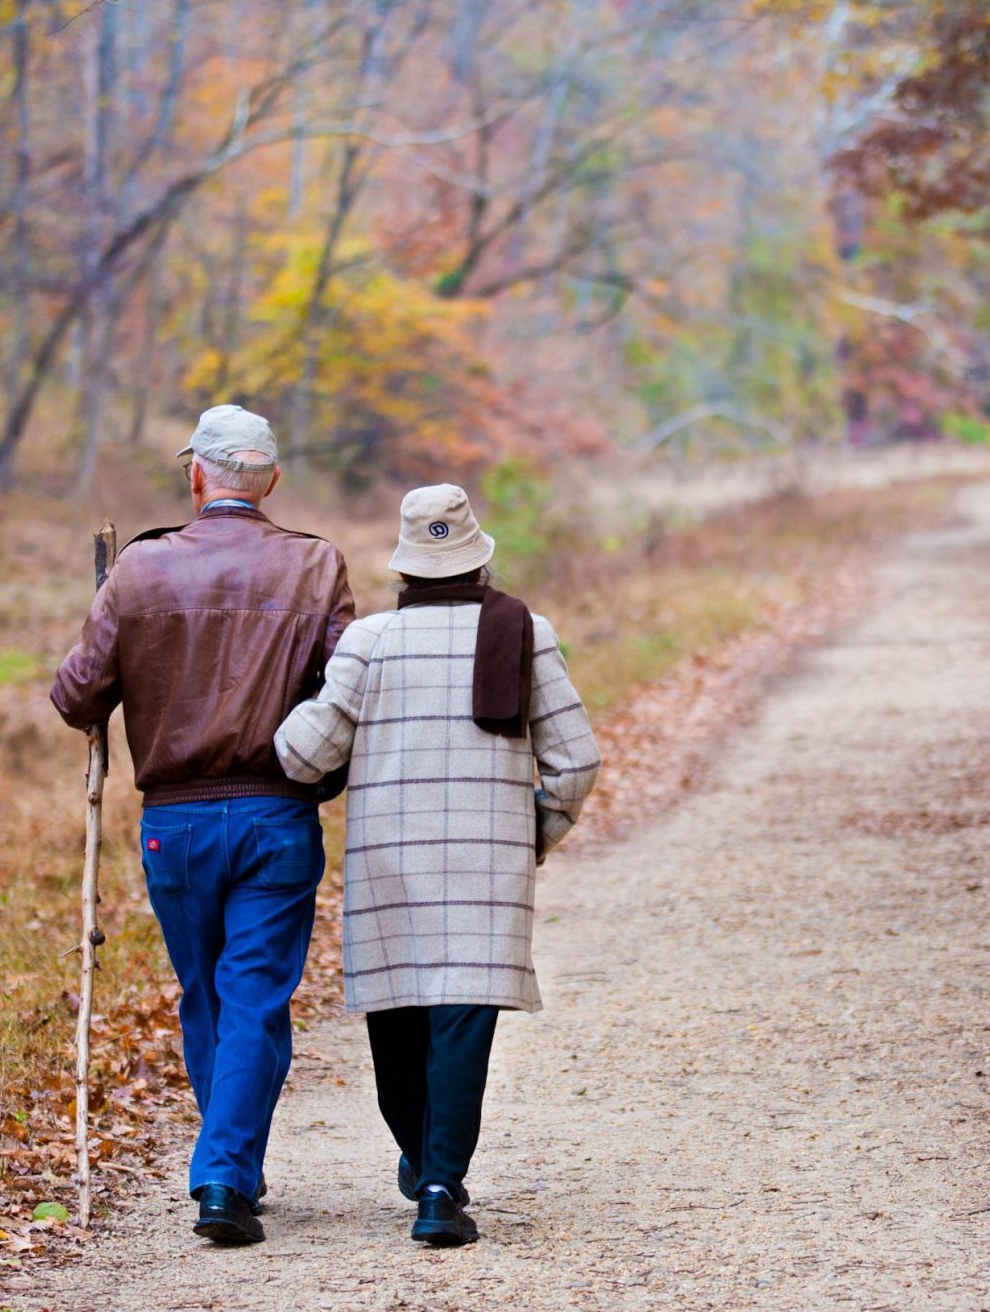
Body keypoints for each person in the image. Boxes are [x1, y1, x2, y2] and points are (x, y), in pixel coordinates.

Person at [50, 404, 354, 1247]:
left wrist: (111, 614)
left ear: (196, 476)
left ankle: (225, 1168)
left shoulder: (140, 570)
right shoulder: (316, 565)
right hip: (277, 811)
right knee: (253, 994)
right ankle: (229, 1169)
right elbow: (351, 685)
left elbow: (75, 696)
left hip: (174, 825)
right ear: (272, 482)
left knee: (209, 993)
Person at [275, 484, 601, 1247]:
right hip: (488, 869)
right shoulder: (527, 633)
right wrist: (532, 834)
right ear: (480, 559)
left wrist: (289, 707)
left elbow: (303, 754)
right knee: (462, 1018)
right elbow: (576, 761)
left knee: (399, 1021)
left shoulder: (369, 642)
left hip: (390, 863)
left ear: (405, 568)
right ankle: (438, 1185)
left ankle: (424, 1160)